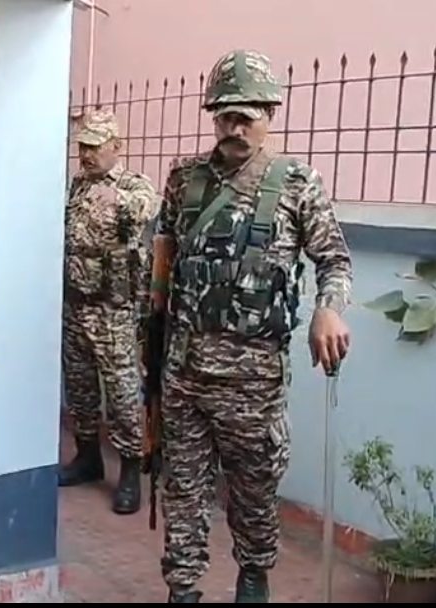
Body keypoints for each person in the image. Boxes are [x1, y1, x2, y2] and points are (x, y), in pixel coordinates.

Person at [150, 49, 352, 603]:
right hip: (185, 373)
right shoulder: (184, 180)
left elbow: (334, 260)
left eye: (246, 117)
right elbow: (165, 260)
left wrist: (328, 307)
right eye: (224, 117)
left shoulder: (296, 183)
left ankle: (254, 579)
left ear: (270, 114)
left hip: (253, 381)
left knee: (254, 494)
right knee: (182, 490)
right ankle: (182, 589)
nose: (234, 129)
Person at [60, 108, 160, 515]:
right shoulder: (76, 186)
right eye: (82, 147)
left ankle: (130, 471)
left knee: (121, 394)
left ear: (116, 146)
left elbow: (145, 208)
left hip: (113, 310)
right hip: (76, 304)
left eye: (95, 146)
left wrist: (115, 199)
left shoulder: (133, 185)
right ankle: (87, 458)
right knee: (80, 387)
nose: (87, 154)